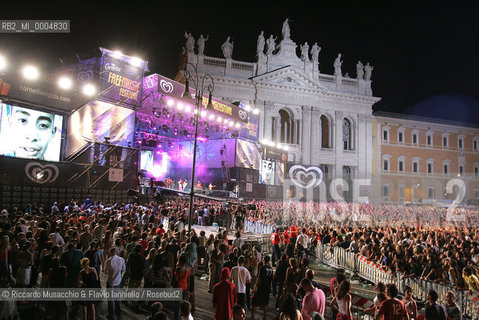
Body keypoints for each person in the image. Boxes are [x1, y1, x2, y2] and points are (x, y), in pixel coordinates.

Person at [103, 247, 126, 320]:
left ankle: (111, 314)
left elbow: (105, 272)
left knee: (110, 299)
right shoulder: (121, 259)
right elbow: (123, 269)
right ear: (116, 252)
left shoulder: (108, 261)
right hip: (118, 281)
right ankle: (118, 312)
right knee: (117, 297)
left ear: (111, 253)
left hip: (110, 281)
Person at [251, 255, 274, 320]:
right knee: (265, 302)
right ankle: (264, 317)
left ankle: (252, 316)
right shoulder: (271, 268)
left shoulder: (262, 267)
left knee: (254, 301)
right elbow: (271, 279)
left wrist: (255, 286)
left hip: (261, 286)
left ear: (264, 260)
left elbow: (259, 278)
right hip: (268, 287)